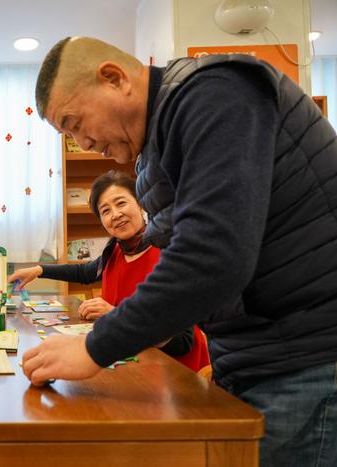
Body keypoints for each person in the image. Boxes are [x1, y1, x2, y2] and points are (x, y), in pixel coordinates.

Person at [22, 36, 337, 466]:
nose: (84, 143)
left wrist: (95, 347)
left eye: (75, 124)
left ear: (114, 78)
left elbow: (211, 258)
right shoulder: (155, 147)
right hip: (256, 360)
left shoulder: (214, 92)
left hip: (305, 361)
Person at [9, 170, 209, 372]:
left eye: (121, 203)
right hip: (131, 363)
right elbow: (84, 272)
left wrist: (117, 316)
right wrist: (39, 270)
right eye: (105, 211)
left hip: (175, 374)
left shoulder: (167, 251)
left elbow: (183, 342)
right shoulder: (114, 250)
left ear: (140, 204)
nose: (115, 215)